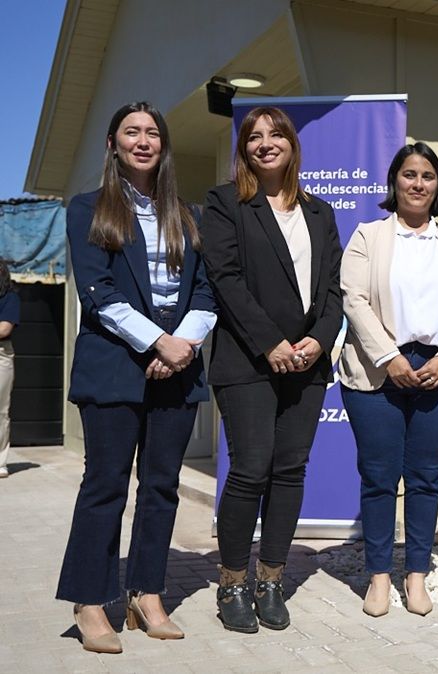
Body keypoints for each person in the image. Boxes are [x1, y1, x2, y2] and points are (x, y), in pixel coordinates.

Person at [57, 102, 217, 653]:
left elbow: (205, 291)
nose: (143, 141)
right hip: (113, 368)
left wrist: (182, 345)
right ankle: (89, 601)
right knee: (105, 486)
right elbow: (99, 293)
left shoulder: (188, 216)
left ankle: (147, 592)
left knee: (161, 488)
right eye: (132, 132)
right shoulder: (87, 210)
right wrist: (158, 341)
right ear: (112, 144)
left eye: (153, 133)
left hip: (177, 367)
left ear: (163, 147)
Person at [200, 106, 343, 633]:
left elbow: (333, 289)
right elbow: (226, 280)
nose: (265, 143)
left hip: (307, 363)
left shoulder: (321, 212)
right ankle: (233, 582)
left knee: (289, 470)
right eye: (253, 137)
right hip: (247, 362)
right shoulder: (224, 204)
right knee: (251, 467)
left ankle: (271, 579)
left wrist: (317, 341)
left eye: (275, 134)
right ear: (244, 149)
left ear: (291, 144)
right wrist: (272, 344)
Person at [340, 143, 438, 618]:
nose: (418, 184)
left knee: (424, 479)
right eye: (409, 174)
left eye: (427, 176)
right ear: (394, 182)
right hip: (378, 372)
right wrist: (389, 357)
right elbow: (354, 300)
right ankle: (379, 577)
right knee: (379, 479)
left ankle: (415, 576)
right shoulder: (368, 236)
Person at [0, 261, 18, 479]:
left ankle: (0, 461)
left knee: (1, 410)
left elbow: (4, 328)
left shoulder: (9, 297)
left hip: (1, 354)